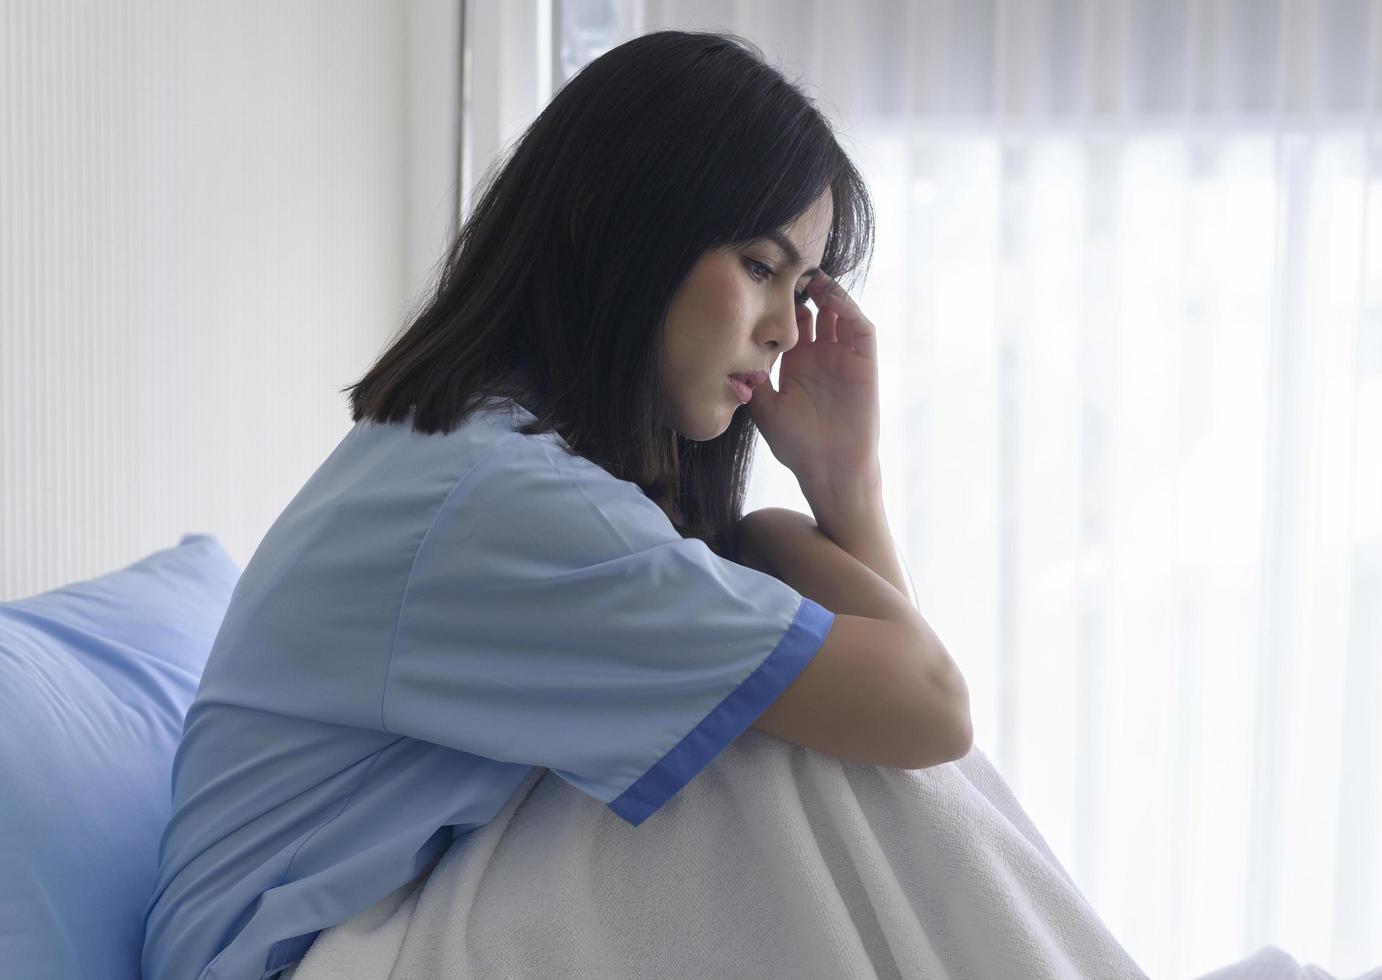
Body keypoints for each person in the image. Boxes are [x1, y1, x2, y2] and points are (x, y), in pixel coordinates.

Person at [141, 29, 970, 980]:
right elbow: (926, 711)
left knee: (779, 697)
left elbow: (902, 717)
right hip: (302, 962)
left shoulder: (488, 457)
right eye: (756, 265)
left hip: (378, 929)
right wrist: (840, 496)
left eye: (799, 286)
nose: (784, 329)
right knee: (774, 753)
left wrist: (817, 500)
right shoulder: (502, 498)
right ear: (612, 219)